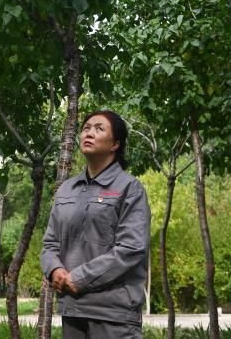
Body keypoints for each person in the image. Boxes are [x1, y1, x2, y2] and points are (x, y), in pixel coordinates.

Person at [41, 109, 151, 339]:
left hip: (114, 313)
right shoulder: (66, 189)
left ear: (115, 144)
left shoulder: (129, 188)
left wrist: (79, 278)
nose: (89, 133)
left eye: (99, 129)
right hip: (72, 309)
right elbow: (50, 243)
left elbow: (131, 249)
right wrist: (55, 270)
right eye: (86, 128)